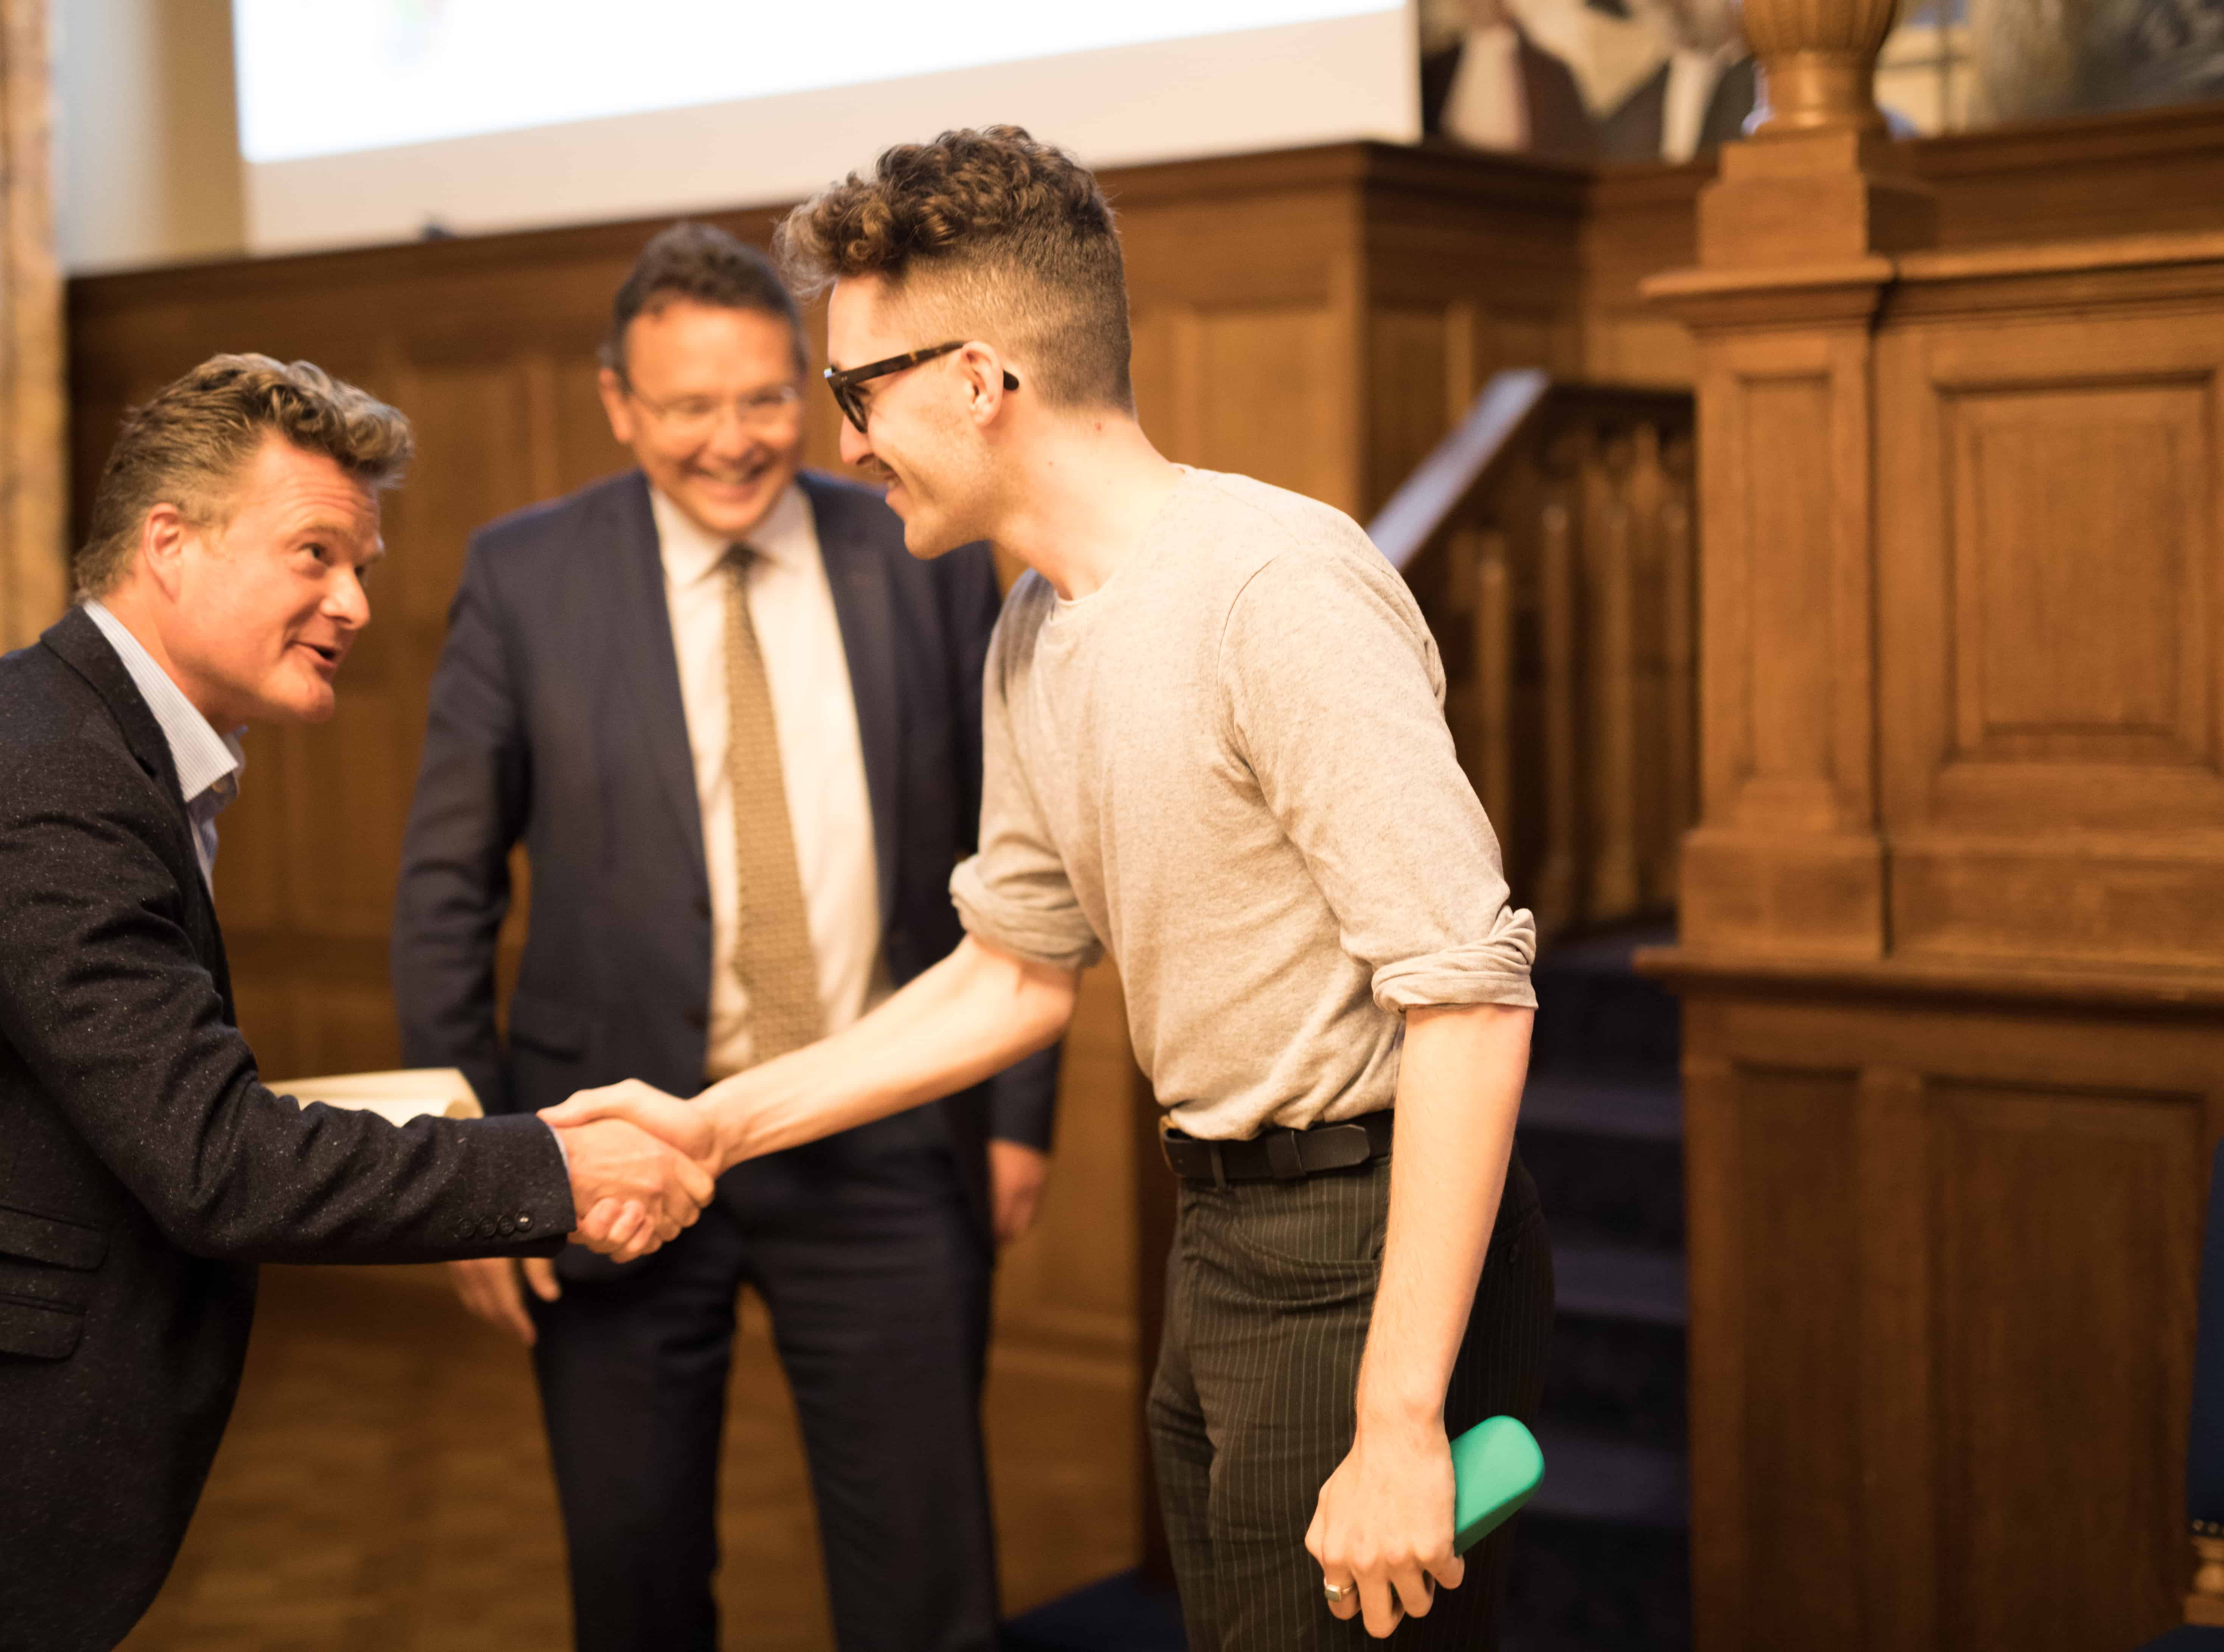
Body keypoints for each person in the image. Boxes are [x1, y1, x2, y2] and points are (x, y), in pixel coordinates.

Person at [549, 129, 1556, 1647]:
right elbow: (1013, 971)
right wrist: (712, 1123)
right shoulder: (1034, 626)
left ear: (976, 378)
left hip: (1363, 1237)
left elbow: (1468, 1000)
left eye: (854, 392)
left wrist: (1401, 1416)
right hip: (1215, 1237)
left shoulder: (1274, 587)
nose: (842, 446)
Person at [0, 355, 710, 1652]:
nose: (353, 602)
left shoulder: (95, 743)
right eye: (315, 554)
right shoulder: (45, 775)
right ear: (168, 544)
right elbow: (213, 1161)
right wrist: (557, 1173)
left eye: (364, 567)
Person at [392, 222, 1058, 1652]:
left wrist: (1017, 1114)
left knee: (928, 1582)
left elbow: (1016, 848)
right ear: (619, 404)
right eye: (687, 406)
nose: (732, 439)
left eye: (765, 397)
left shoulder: (925, 550)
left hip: (881, 1131)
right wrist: (469, 1173)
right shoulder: (524, 576)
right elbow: (449, 886)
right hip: (612, 1148)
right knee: (631, 1582)